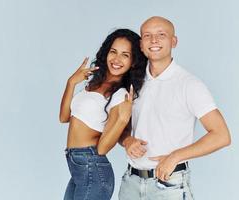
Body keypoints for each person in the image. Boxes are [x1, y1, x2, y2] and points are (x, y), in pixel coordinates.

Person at [118, 16, 231, 200]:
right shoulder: (133, 82)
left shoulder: (189, 85)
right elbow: (121, 128)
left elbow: (221, 135)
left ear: (174, 41)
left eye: (161, 34)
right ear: (140, 44)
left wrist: (175, 157)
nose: (154, 40)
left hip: (169, 184)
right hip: (130, 183)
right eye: (147, 35)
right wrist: (128, 140)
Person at [59, 29, 147, 200]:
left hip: (93, 168)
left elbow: (103, 148)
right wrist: (71, 82)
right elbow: (64, 117)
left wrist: (122, 119)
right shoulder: (94, 83)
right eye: (113, 52)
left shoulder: (121, 95)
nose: (116, 59)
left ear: (133, 62)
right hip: (78, 167)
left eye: (125, 55)